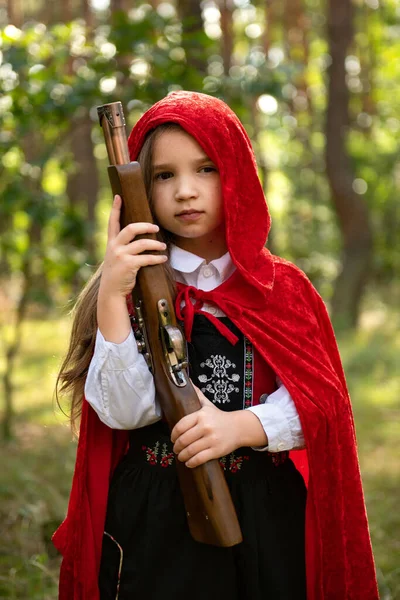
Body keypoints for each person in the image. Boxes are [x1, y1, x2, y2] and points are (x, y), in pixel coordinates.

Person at [53, 91, 378, 600]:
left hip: (265, 512)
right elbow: (122, 412)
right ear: (137, 189)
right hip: (155, 519)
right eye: (163, 175)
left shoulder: (283, 289)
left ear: (237, 173)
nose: (186, 191)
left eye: (205, 169)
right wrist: (115, 294)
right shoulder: (128, 292)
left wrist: (240, 427)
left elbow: (323, 405)